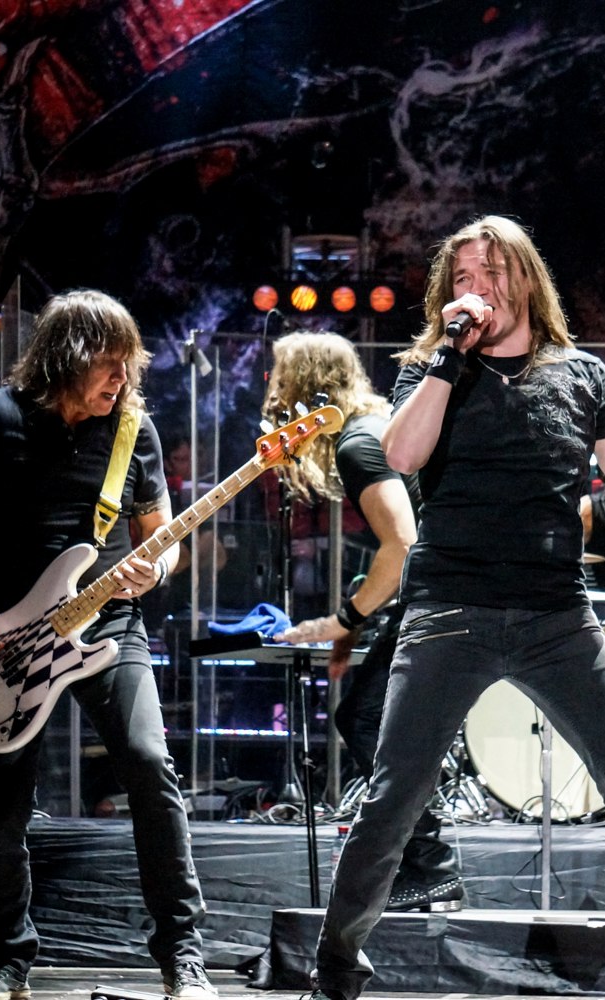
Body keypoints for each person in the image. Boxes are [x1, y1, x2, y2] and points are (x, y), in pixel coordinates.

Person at [309, 216, 605, 1000]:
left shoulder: (581, 376)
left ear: (525, 279)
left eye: (490, 272)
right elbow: (401, 455)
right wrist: (449, 355)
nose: (475, 288)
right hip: (449, 612)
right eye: (460, 277)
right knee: (393, 799)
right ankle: (335, 972)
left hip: (556, 617)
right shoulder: (430, 370)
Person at [0, 289, 216, 1000]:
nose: (121, 379)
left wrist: (153, 570)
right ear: (67, 359)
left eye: (127, 365)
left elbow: (161, 536)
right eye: (109, 364)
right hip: (8, 636)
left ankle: (183, 958)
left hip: (106, 626)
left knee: (149, 764)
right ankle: (7, 960)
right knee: (3, 801)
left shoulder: (132, 428)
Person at [263, 331, 464, 913]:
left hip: (441, 594)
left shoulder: (357, 442)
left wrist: (342, 619)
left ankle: (434, 865)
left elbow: (402, 542)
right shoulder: (374, 426)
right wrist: (354, 627)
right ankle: (426, 864)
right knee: (377, 719)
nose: (273, 395)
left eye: (280, 380)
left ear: (306, 386)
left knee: (367, 716)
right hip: (442, 590)